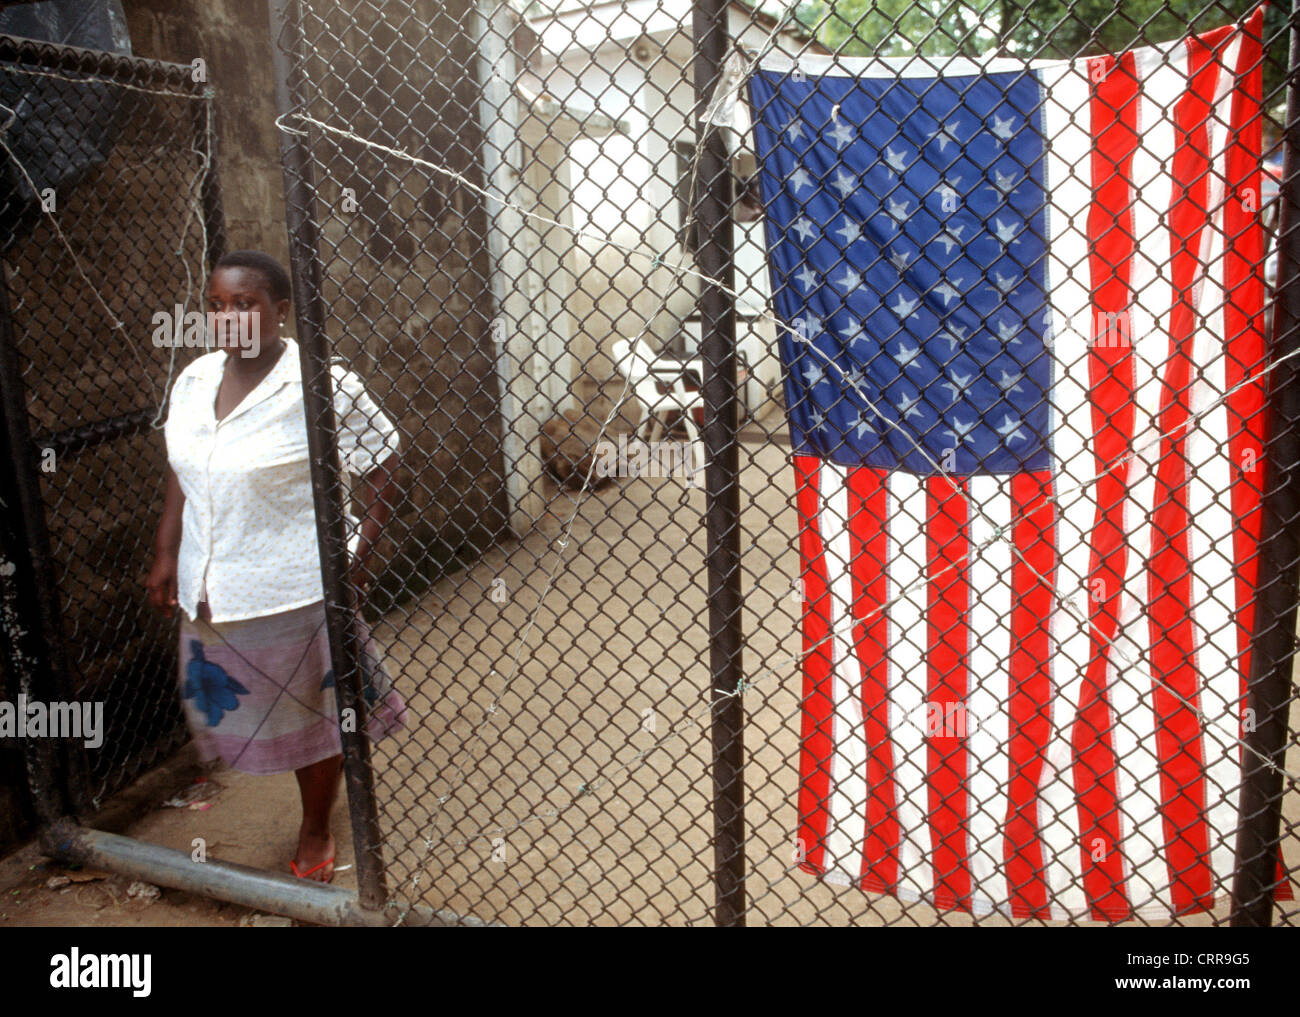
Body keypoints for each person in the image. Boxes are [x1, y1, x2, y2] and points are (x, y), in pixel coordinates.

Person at [145, 249, 406, 884]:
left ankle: (315, 824)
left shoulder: (323, 384)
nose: (227, 317)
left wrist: (355, 561)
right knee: (238, 706)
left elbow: (387, 466)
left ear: (280, 311)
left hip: (293, 588)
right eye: (215, 305)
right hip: (211, 586)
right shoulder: (194, 381)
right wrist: (165, 551)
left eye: (245, 303)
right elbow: (186, 470)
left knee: (312, 719)